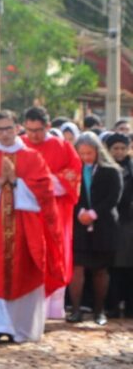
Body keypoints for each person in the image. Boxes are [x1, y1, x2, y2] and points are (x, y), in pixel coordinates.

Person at [0, 111, 65, 344]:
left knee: (23, 272)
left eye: (9, 128)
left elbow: (45, 194)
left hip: (25, 229)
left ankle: (19, 327)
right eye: (0, 130)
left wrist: (17, 181)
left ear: (17, 128)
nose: (5, 134)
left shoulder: (33, 158)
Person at [21, 107, 81, 319]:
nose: (33, 135)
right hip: (27, 214)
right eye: (29, 130)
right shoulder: (20, 146)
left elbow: (73, 175)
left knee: (56, 254)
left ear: (47, 127)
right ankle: (30, 309)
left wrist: (43, 184)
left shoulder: (63, 147)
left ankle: (55, 308)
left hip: (56, 213)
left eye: (38, 130)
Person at [66, 132, 123, 325]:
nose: (86, 157)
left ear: (98, 151)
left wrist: (94, 213)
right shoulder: (75, 170)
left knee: (100, 270)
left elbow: (113, 197)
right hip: (79, 226)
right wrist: (80, 211)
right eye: (82, 153)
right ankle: (75, 310)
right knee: (77, 268)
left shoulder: (111, 171)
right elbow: (70, 194)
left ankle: (99, 311)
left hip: (103, 225)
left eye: (89, 153)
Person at [104, 132, 133, 317]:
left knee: (129, 266)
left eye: (123, 148)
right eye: (116, 149)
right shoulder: (105, 169)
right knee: (113, 267)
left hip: (129, 223)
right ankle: (112, 305)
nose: (120, 152)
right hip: (110, 223)